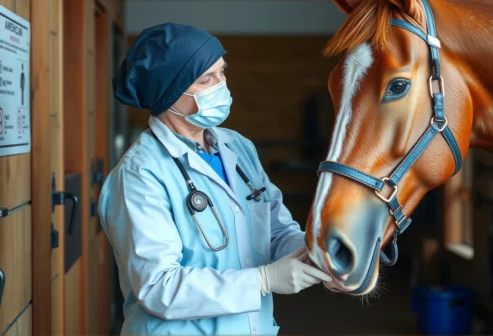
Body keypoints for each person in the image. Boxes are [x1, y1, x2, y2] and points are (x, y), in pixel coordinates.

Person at [99, 22, 331, 335]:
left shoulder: (236, 146)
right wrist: (262, 280)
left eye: (222, 72)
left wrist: (318, 254)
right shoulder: (140, 174)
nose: (221, 86)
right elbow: (159, 287)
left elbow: (276, 231)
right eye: (207, 79)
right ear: (169, 92)